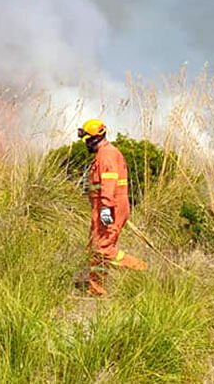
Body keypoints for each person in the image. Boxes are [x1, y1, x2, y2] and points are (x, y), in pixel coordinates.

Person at [78, 119, 146, 297]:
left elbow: (108, 184)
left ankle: (142, 270)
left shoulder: (106, 155)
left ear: (95, 138)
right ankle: (96, 290)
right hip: (106, 207)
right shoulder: (105, 153)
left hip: (110, 208)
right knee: (96, 249)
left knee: (104, 249)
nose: (85, 143)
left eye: (87, 139)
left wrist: (106, 211)